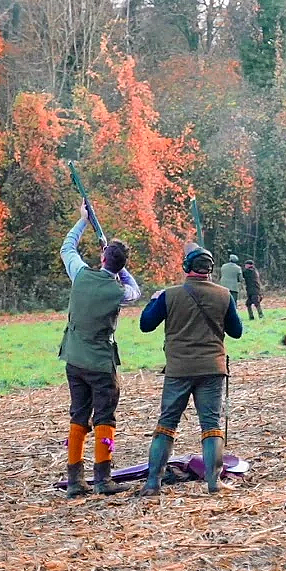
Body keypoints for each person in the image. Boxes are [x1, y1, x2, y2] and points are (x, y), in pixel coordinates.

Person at [136, 242, 243, 496]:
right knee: (211, 425)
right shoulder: (224, 295)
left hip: (179, 370)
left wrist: (153, 301)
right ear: (210, 269)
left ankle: (153, 483)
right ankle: (214, 483)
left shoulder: (169, 295)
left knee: (166, 424)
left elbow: (145, 325)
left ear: (186, 267)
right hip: (212, 368)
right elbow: (236, 332)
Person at [58, 201, 141, 497]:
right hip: (101, 364)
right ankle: (103, 478)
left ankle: (74, 481)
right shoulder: (119, 290)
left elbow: (67, 248)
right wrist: (122, 268)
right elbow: (135, 290)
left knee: (78, 416)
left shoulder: (79, 273)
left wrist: (82, 221)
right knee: (105, 417)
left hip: (73, 359)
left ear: (102, 256)